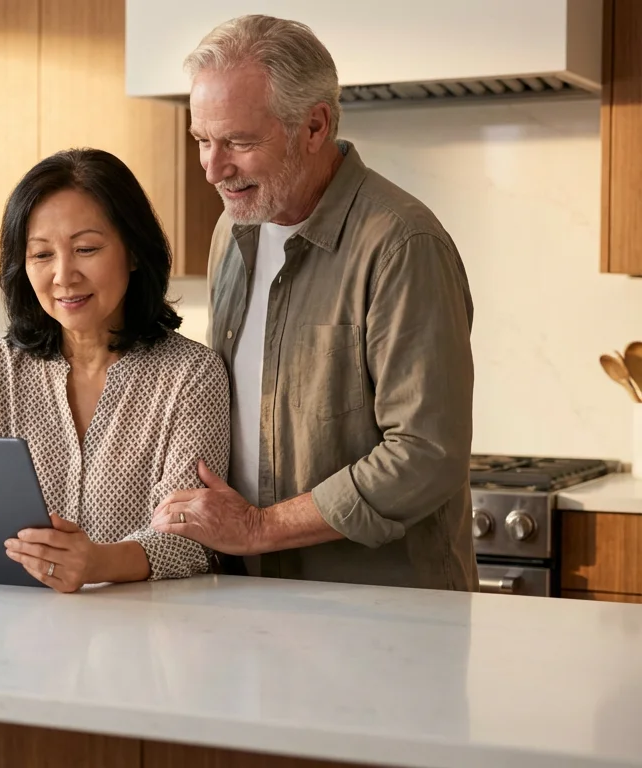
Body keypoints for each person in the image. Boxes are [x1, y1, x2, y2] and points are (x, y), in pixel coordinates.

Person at [149, 15, 477, 591]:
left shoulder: (402, 244)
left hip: (385, 612)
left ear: (314, 125)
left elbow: (426, 454)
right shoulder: (232, 231)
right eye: (202, 140)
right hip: (254, 598)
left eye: (239, 142)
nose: (213, 168)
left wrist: (259, 528)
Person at [0, 148, 231, 593]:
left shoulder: (192, 374)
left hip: (146, 624)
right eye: (42, 254)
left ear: (133, 252)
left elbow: (195, 538)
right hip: (14, 623)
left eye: (86, 249)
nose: (64, 275)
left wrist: (100, 562)